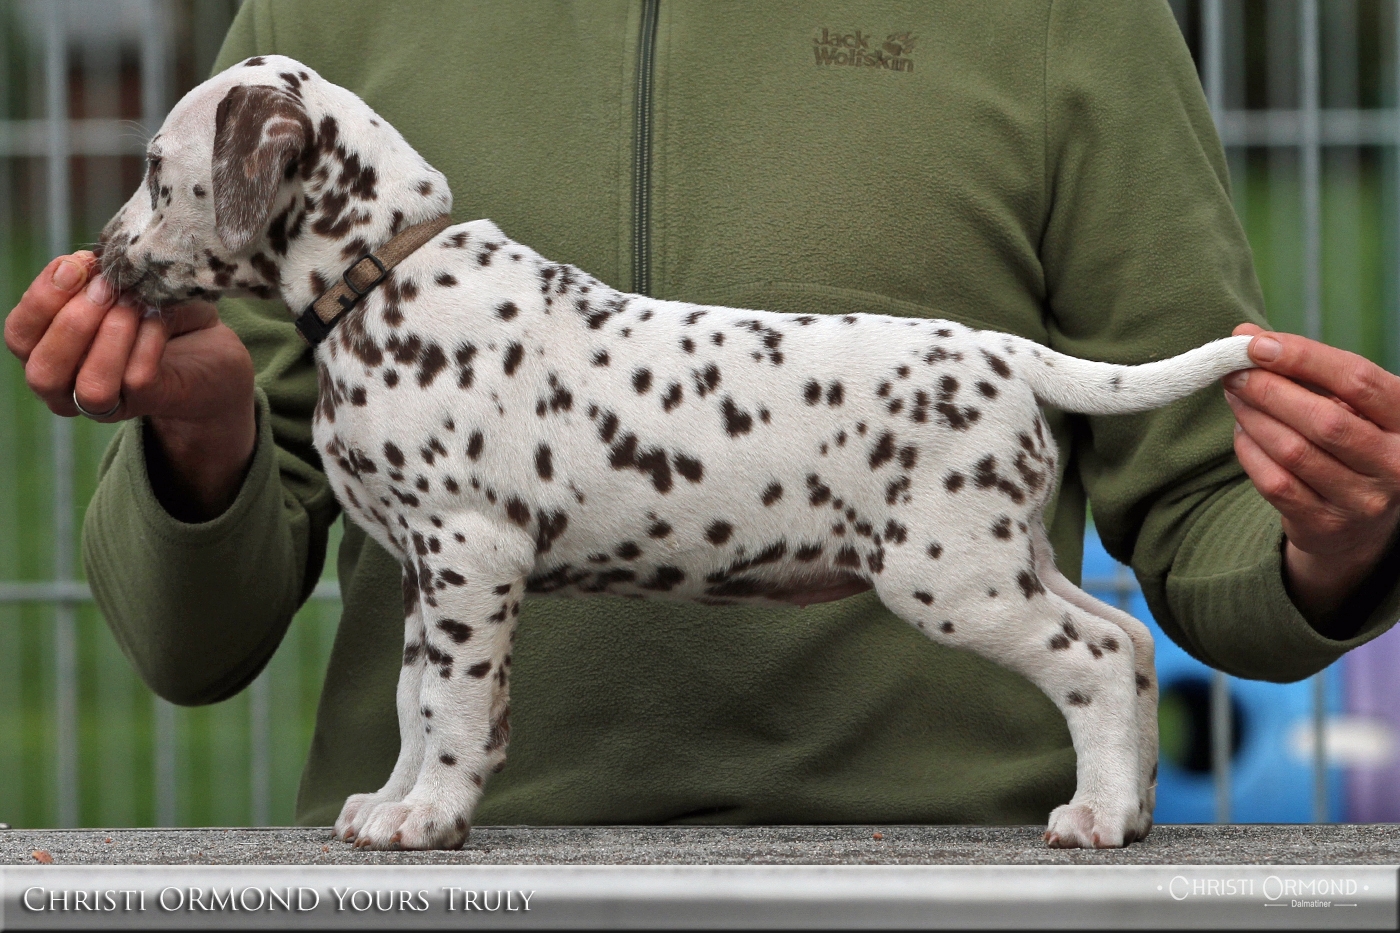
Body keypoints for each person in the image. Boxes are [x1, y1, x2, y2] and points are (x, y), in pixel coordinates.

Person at [7, 1, 1400, 829]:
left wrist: (1336, 539)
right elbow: (197, 640)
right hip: (456, 895)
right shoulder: (316, 40)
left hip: (942, 871)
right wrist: (201, 441)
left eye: (155, 188)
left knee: (971, 586)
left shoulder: (1063, 17)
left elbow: (1204, 505)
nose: (134, 217)